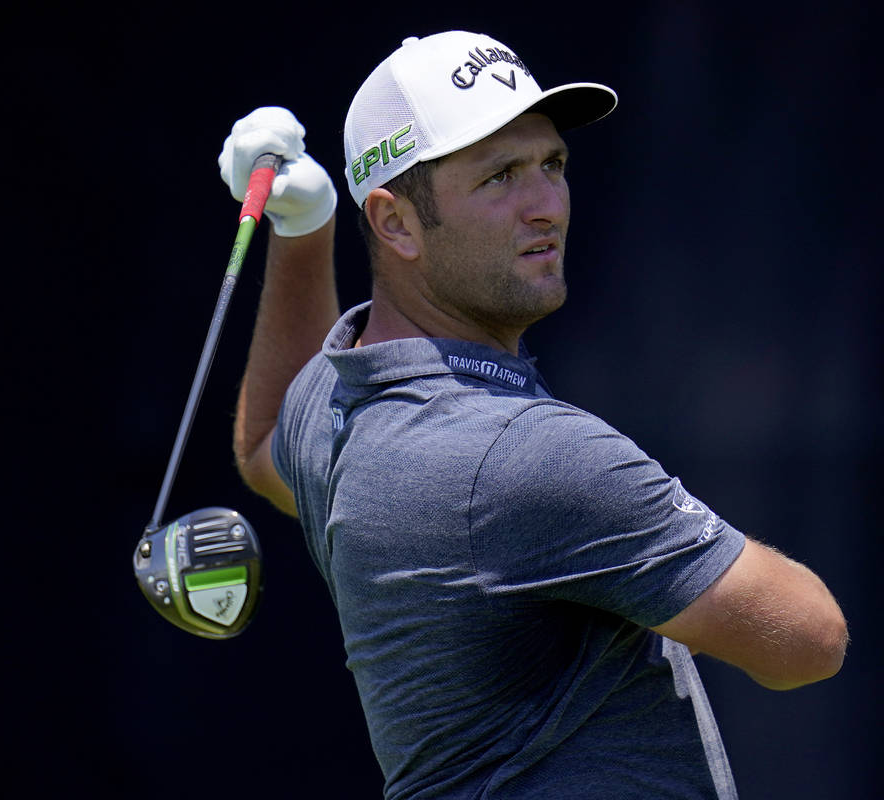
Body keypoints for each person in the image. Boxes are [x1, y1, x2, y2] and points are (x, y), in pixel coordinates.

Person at [219, 30, 848, 799]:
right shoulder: (529, 456)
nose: (546, 205)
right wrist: (647, 517)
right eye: (500, 177)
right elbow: (808, 641)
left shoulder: (342, 401)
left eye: (552, 164)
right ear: (395, 224)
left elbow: (262, 445)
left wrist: (303, 228)